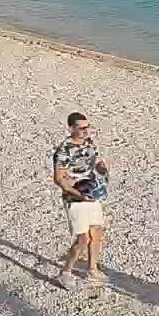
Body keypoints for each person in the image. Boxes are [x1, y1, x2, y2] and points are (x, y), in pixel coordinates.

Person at [51, 112, 110, 287]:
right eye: (82, 128)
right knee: (82, 239)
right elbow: (59, 179)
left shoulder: (89, 143)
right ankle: (66, 272)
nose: (86, 131)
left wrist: (101, 167)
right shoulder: (63, 150)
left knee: (97, 233)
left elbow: (96, 161)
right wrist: (78, 194)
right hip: (75, 198)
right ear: (71, 128)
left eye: (88, 127)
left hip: (92, 193)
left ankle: (92, 270)